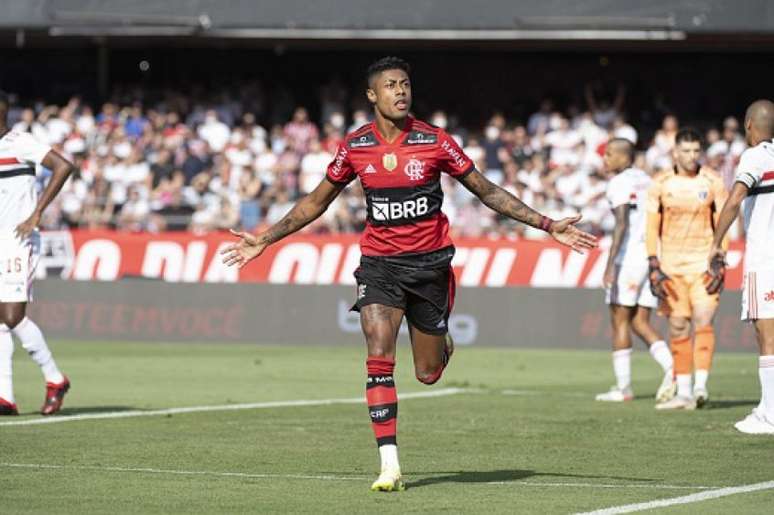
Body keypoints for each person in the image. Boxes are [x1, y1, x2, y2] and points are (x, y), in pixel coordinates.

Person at [221, 57, 597, 492]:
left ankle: (440, 338)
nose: (400, 91)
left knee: (427, 372)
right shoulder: (356, 146)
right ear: (372, 95)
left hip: (430, 266)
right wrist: (265, 239)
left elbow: (487, 190)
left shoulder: (434, 141)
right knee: (378, 355)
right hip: (379, 265)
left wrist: (548, 225)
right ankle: (389, 465)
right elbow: (316, 201)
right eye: (390, 85)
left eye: (405, 84)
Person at [0, 91, 75, 416]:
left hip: (19, 239)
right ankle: (5, 396)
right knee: (0, 323)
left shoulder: (20, 142)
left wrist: (36, 214)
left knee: (12, 317)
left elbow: (63, 166)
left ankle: (55, 378)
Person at [646, 128, 728, 410]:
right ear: (675, 152)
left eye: (696, 150)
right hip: (671, 267)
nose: (692, 156)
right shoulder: (660, 183)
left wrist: (720, 258)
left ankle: (701, 386)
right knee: (678, 326)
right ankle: (683, 393)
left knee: (703, 321)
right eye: (686, 150)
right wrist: (652, 261)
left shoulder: (713, 181)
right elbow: (651, 226)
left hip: (703, 264)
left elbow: (723, 221)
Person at [709, 99, 774, 434]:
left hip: (765, 258)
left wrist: (716, 243)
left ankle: (770, 416)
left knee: (766, 336)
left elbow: (735, 198)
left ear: (749, 125)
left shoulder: (755, 156)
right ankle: (767, 406)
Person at [597, 139, 675, 403]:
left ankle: (623, 388)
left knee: (619, 320)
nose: (605, 159)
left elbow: (621, 223)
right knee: (640, 321)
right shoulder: (647, 179)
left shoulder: (618, 183)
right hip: (651, 254)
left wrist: (609, 266)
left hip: (628, 257)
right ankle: (673, 368)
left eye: (608, 155)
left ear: (622, 157)